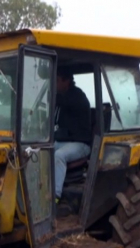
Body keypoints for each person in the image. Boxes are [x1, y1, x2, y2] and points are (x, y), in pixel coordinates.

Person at [53, 67, 92, 217]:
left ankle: (54, 198)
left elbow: (57, 100)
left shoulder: (76, 97)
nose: (54, 84)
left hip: (81, 144)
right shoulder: (62, 97)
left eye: (56, 80)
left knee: (59, 156)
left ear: (66, 81)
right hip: (65, 140)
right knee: (40, 150)